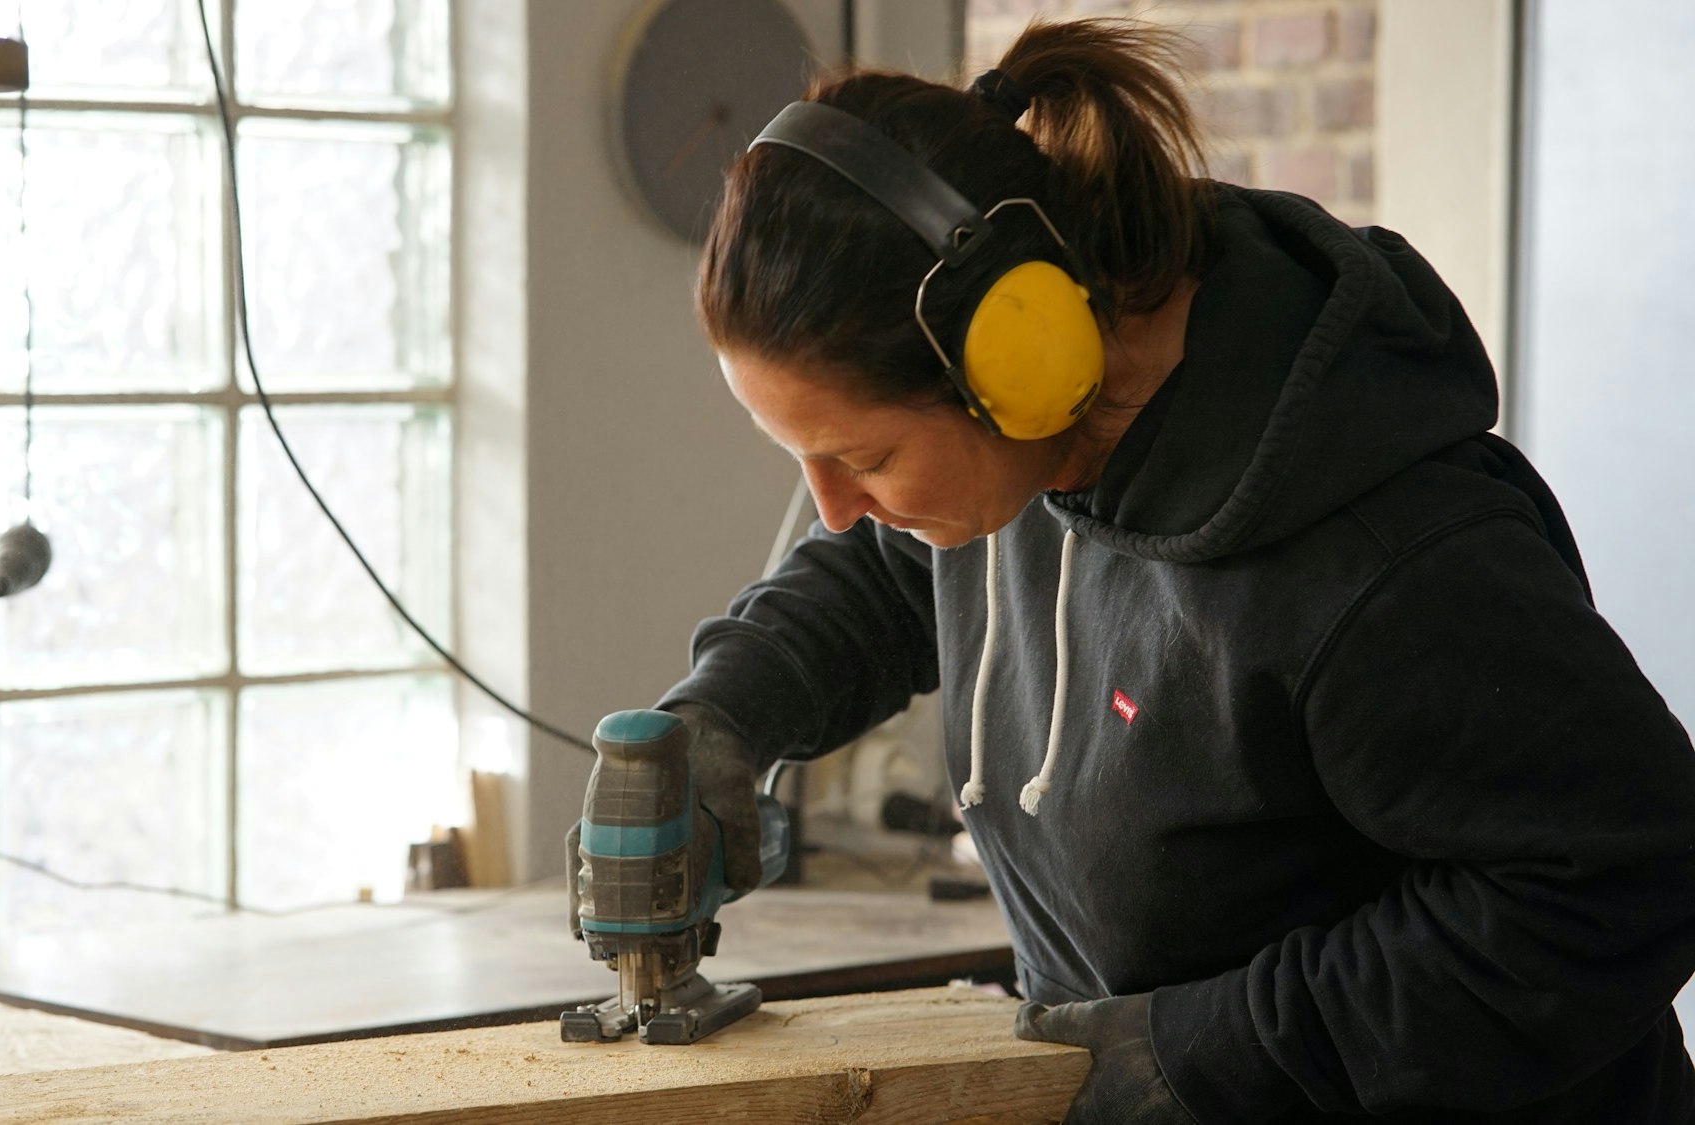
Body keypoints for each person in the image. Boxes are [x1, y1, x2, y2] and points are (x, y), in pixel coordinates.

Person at [643, 17, 1695, 1125]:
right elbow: (891, 570)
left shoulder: (1383, 558)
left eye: (862, 456)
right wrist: (725, 709)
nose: (835, 508)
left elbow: (1623, 870)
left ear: (1020, 359)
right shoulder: (1021, 457)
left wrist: (1213, 1052)